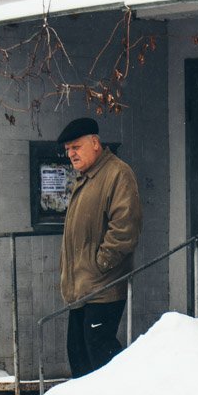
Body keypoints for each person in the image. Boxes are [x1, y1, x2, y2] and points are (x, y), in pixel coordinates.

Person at [57, 117, 142, 377]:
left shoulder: (117, 173)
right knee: (79, 354)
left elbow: (125, 228)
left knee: (100, 353)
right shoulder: (85, 180)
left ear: (95, 143)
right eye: (68, 149)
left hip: (103, 287)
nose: (71, 154)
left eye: (76, 147)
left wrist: (99, 265)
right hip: (81, 289)